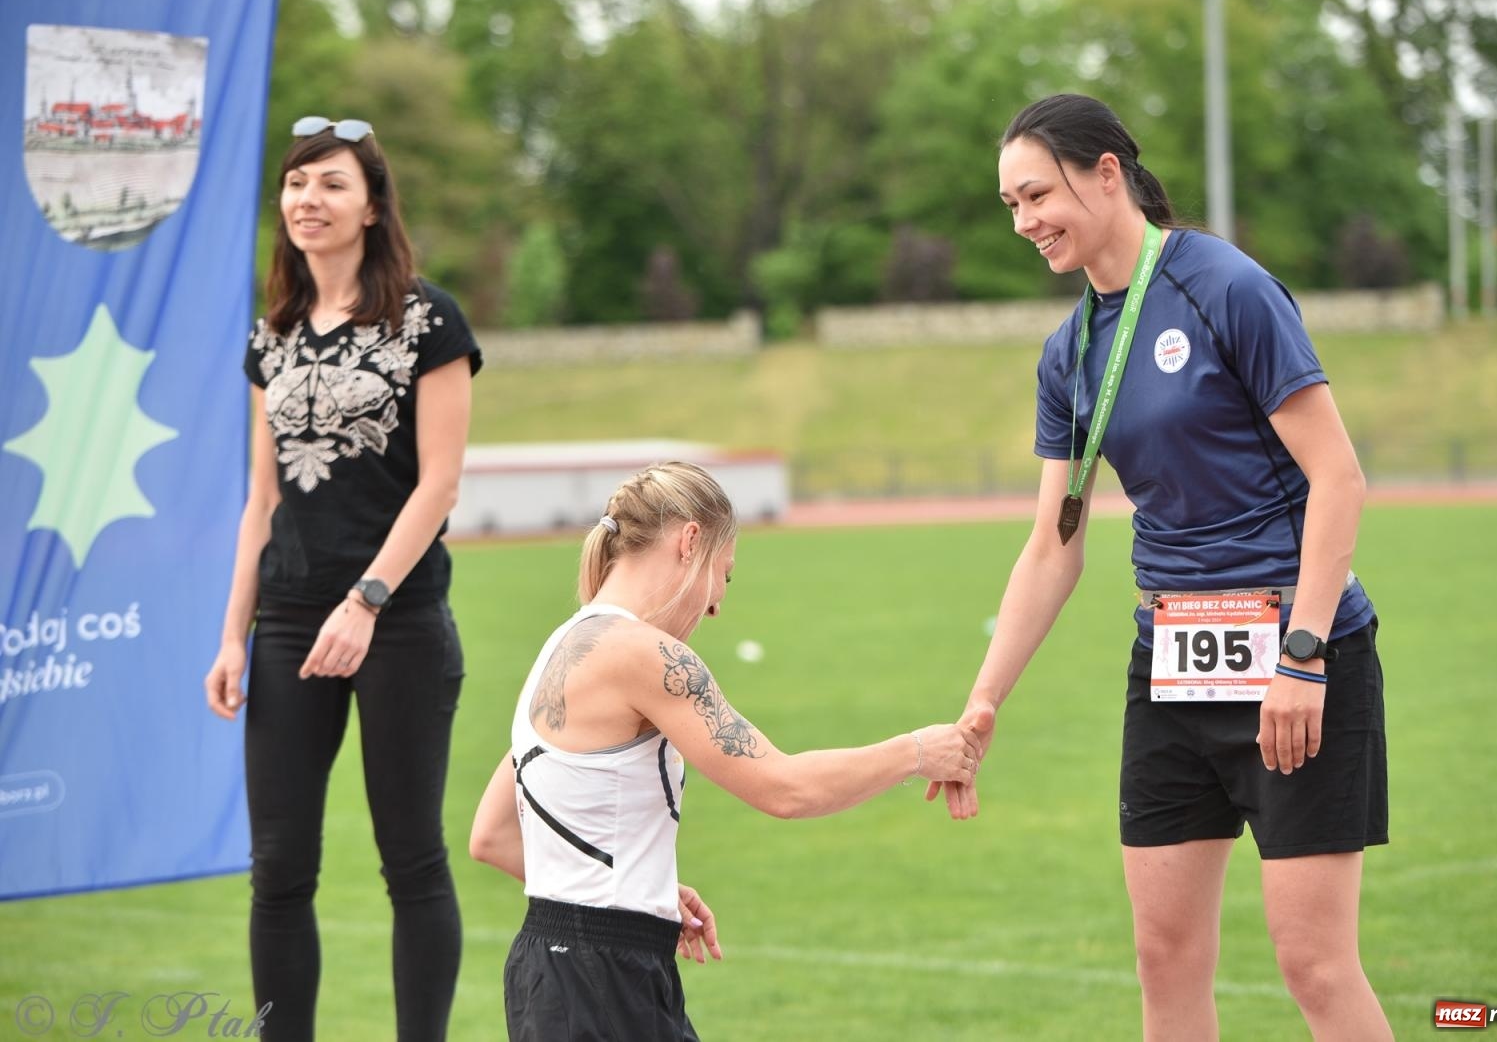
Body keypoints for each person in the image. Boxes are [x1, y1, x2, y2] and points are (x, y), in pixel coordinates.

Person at [930, 93, 1391, 1041]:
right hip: (1173, 664)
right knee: (1165, 960)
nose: (1023, 223)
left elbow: (1338, 478)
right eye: (1010, 205)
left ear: (1107, 174)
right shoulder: (1070, 351)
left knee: (1313, 966)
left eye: (1036, 196)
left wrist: (1304, 655)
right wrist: (984, 700)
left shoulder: (1225, 288)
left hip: (1297, 655)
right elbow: (1053, 543)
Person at [469, 461, 984, 1042]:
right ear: (690, 541)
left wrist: (642, 892)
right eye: (725, 574)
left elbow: (491, 835)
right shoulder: (644, 655)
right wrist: (919, 751)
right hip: (605, 980)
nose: (716, 604)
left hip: (551, 972)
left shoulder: (560, 648)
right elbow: (785, 788)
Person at [204, 115, 481, 1042]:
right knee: (279, 871)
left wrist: (367, 600)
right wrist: (232, 636)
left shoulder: (428, 320)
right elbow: (262, 498)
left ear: (371, 207)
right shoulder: (273, 335)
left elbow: (440, 483)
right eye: (296, 183)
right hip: (285, 622)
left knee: (413, 862)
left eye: (331, 184)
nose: (308, 200)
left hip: (397, 622)